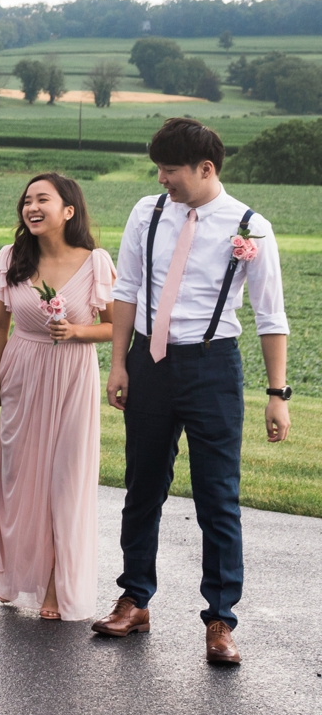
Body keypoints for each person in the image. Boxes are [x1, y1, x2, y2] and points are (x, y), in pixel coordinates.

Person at [93, 119, 292, 666]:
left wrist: (278, 393)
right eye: (158, 168)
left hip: (213, 369)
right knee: (143, 486)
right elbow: (126, 290)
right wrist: (118, 365)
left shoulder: (251, 227)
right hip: (149, 362)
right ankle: (135, 599)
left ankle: (221, 620)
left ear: (206, 169)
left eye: (171, 170)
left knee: (217, 497)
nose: (162, 179)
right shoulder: (146, 212)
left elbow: (270, 317)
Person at [0, 173, 113, 622]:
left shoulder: (95, 262)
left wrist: (78, 331)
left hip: (74, 376)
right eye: (27, 201)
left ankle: (58, 584)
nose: (31, 207)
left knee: (65, 480)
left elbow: (117, 326)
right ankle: (17, 575)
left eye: (43, 199)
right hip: (22, 370)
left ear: (68, 210)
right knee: (21, 480)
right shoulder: (10, 258)